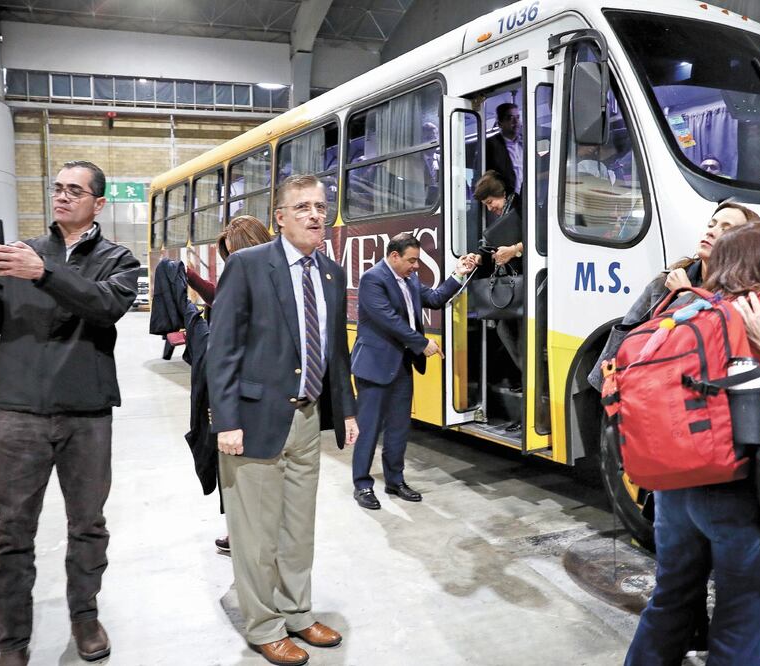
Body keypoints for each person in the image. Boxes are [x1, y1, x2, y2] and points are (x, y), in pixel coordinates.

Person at [0, 160, 140, 666]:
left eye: (75, 190)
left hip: (86, 414)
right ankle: (13, 641)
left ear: (98, 203)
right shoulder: (22, 253)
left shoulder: (119, 259)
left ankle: (84, 616)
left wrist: (45, 274)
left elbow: (105, 307)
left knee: (87, 523)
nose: (63, 197)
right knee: (12, 531)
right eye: (58, 188)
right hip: (20, 413)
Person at [206, 174, 358, 666]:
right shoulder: (249, 266)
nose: (315, 216)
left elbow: (336, 351)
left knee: (298, 528)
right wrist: (226, 420)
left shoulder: (331, 274)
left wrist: (348, 409)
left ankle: (296, 612)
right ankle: (264, 626)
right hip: (253, 420)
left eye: (320, 207)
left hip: (308, 419)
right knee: (255, 535)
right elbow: (223, 349)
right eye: (303, 207)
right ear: (280, 217)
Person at [625, 221, 760, 666]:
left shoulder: (686, 312)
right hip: (741, 491)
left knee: (670, 601)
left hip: (673, 486)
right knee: (739, 620)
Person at [350, 232, 477, 509]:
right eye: (412, 260)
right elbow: (388, 320)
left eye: (417, 261)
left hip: (401, 367)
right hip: (374, 367)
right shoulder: (373, 279)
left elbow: (434, 298)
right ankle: (362, 485)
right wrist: (422, 344)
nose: (416, 266)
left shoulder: (410, 279)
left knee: (398, 428)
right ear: (394, 256)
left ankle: (395, 480)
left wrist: (458, 273)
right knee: (368, 429)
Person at [588, 201, 760, 392]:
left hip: (694, 401)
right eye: (711, 224)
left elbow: (710, 352)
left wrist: (687, 296)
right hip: (645, 393)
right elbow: (624, 338)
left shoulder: (744, 298)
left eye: (726, 229)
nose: (711, 232)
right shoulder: (666, 281)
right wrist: (609, 398)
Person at [184, 216, 272, 554]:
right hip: (234, 397)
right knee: (234, 473)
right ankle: (239, 531)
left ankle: (250, 537)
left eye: (235, 254)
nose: (232, 264)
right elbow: (221, 299)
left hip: (256, 398)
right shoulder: (246, 278)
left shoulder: (270, 284)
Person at [472, 171, 525, 414]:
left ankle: (529, 382)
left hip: (528, 284)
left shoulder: (523, 206)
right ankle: (525, 379)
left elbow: (542, 238)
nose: (490, 208)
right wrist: (477, 257)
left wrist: (513, 250)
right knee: (504, 330)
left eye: (490, 202)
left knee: (515, 334)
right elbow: (490, 246)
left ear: (500, 194)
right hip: (514, 285)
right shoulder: (505, 213)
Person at [485, 102, 523, 196]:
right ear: (500, 123)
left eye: (517, 117)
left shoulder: (525, 144)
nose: (516, 122)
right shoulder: (490, 145)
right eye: (510, 118)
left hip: (524, 201)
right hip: (502, 201)